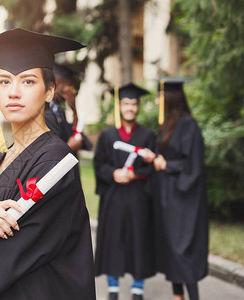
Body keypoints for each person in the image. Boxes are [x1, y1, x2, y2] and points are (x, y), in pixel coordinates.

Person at [0, 28, 96, 300]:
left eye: (27, 81)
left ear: (49, 91)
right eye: (4, 81)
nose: (13, 92)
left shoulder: (53, 163)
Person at [144, 78, 208, 300]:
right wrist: (154, 157)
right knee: (170, 249)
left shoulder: (189, 125)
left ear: (170, 98)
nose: (157, 100)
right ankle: (177, 296)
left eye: (160, 96)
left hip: (183, 200)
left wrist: (167, 165)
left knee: (182, 252)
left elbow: (194, 164)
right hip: (166, 197)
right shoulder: (167, 126)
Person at [93, 83, 156, 300]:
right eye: (126, 103)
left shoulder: (148, 135)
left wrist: (135, 175)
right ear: (119, 106)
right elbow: (98, 164)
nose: (130, 107)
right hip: (114, 196)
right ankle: (113, 287)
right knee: (113, 238)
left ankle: (138, 287)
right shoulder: (108, 135)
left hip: (138, 196)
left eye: (134, 104)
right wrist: (113, 174)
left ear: (138, 107)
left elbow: (151, 168)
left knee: (139, 237)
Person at [44, 63, 92, 154]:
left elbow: (75, 134)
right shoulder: (43, 111)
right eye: (70, 85)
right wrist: (69, 147)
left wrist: (74, 108)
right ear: (57, 85)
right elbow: (50, 151)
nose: (73, 90)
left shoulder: (59, 110)